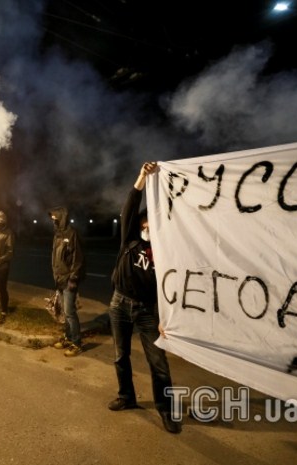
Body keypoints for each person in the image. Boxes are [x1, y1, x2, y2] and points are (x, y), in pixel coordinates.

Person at [106, 161, 182, 434]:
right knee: (120, 355)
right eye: (144, 222)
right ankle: (126, 396)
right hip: (119, 303)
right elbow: (129, 206)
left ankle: (166, 410)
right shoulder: (129, 240)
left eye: (152, 223)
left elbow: (169, 288)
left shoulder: (166, 250)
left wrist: (164, 317)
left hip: (148, 310)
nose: (147, 226)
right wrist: (141, 177)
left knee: (158, 363)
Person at [48, 206, 86, 357]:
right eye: (52, 219)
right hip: (60, 279)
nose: (53, 221)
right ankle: (68, 337)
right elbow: (55, 258)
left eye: (55, 218)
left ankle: (77, 343)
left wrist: (73, 279)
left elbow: (78, 259)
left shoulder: (72, 234)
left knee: (70, 312)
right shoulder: (57, 235)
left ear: (62, 218)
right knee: (65, 312)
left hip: (69, 280)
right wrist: (56, 277)